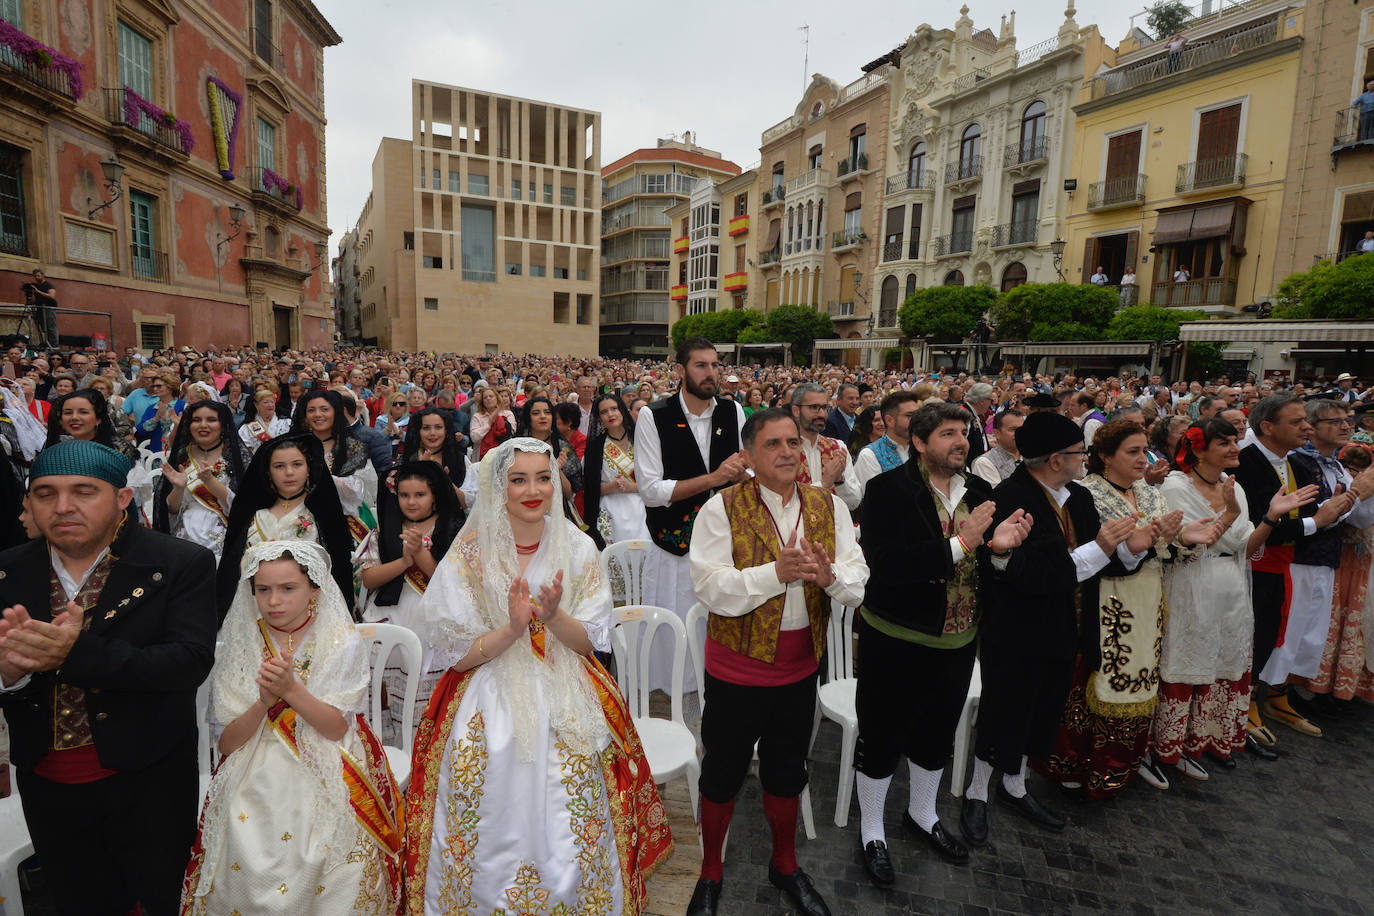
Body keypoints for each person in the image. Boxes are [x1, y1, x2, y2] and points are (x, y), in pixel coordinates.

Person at [401, 437, 673, 915]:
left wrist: (553, 617)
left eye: (543, 478)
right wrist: (512, 628)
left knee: (572, 805)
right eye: (519, 479)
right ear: (496, 487)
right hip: (486, 694)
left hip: (566, 685)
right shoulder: (468, 553)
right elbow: (458, 656)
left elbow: (590, 644)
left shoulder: (581, 545)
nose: (533, 489)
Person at [0, 439, 217, 916]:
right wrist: (8, 675)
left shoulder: (179, 564)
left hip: (148, 779)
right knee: (76, 899)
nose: (62, 507)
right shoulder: (9, 572)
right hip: (46, 781)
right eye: (44, 493)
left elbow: (189, 662)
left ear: (122, 498)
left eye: (83, 491)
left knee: (159, 898)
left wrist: (75, 653)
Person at [686, 409, 868, 916]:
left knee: (788, 770)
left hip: (798, 668)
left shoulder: (826, 506)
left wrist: (830, 578)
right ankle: (710, 870)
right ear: (748, 455)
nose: (788, 451)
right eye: (773, 444)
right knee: (722, 770)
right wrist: (775, 574)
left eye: (793, 442)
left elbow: (857, 581)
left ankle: (784, 864)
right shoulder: (720, 508)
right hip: (735, 670)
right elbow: (710, 588)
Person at [854, 403, 1030, 886]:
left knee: (937, 733)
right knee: (883, 733)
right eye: (948, 434)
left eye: (964, 433)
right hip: (895, 637)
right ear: (919, 442)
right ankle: (872, 828)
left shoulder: (980, 491)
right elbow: (888, 566)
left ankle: (923, 813)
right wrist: (963, 543)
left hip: (958, 640)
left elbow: (990, 570)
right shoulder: (887, 490)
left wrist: (999, 554)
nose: (961, 442)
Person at [180, 540, 403, 914]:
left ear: (314, 588)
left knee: (330, 849)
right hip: (255, 763)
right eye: (263, 590)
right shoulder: (243, 640)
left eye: (288, 588)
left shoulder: (338, 639)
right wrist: (265, 703)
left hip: (328, 758)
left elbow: (333, 728)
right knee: (243, 833)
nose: (273, 601)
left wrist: (290, 691)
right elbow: (230, 743)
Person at [961, 412, 1151, 845]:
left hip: (1066, 629)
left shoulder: (1078, 498)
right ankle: (977, 793)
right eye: (1078, 453)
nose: (1085, 459)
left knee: (1043, 713)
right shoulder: (1010, 499)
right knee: (1003, 713)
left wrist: (1133, 548)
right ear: (1053, 460)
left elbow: (1105, 562)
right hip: (1017, 631)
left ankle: (1014, 787)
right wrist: (1100, 549)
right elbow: (1025, 575)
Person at [1035, 420, 1214, 797]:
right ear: (1104, 455)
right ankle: (1075, 763)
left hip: (1148, 598)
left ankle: (1121, 766)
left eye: (1144, 449)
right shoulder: (1086, 494)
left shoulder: (1149, 493)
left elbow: (1162, 548)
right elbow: (1086, 553)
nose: (1142, 458)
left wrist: (1182, 540)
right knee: (1093, 679)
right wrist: (1138, 545)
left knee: (1140, 680)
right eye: (1132, 451)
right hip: (1104, 599)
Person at [1152, 419, 1315, 775]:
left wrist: (1270, 518)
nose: (1234, 448)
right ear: (1198, 449)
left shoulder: (1233, 488)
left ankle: (1207, 739)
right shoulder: (1175, 488)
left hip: (1231, 584)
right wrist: (1231, 515)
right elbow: (1201, 540)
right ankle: (1171, 749)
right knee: (1188, 660)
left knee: (1224, 660)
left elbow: (1246, 546)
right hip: (1192, 581)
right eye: (1224, 442)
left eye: (1234, 441)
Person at [1232, 393, 1354, 757]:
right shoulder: (1247, 462)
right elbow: (1264, 524)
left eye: (1307, 420)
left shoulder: (1292, 463)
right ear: (1267, 427)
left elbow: (1310, 512)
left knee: (1284, 634)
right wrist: (1318, 520)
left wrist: (1330, 511)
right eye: (1297, 421)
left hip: (1287, 563)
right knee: (1257, 637)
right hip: (1260, 565)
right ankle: (1244, 708)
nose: (1306, 427)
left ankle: (1268, 698)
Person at [633, 338, 747, 692]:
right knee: (677, 630)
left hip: (723, 544)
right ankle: (675, 698)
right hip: (674, 546)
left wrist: (743, 474)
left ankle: (716, 692)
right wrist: (714, 479)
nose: (711, 372)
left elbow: (747, 468)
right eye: (701, 365)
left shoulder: (734, 412)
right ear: (681, 370)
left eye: (715, 365)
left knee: (717, 627)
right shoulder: (655, 415)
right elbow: (651, 490)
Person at [1267, 400, 1374, 731]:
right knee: (1287, 631)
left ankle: (1282, 695)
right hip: (1298, 558)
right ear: (1312, 427)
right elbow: (1314, 515)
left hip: (1326, 560)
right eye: (1336, 421)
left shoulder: (1337, 465)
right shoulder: (1296, 462)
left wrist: (1364, 495)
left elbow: (1355, 517)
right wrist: (1355, 494)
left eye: (1348, 420)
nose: (1345, 426)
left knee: (1309, 633)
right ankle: (1268, 697)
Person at [355, 461, 462, 740]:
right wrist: (404, 561)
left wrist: (421, 555)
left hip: (436, 615)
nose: (411, 502)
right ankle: (387, 740)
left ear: (435, 495)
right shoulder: (384, 530)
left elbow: (453, 583)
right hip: (391, 611)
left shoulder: (454, 528)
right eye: (404, 495)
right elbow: (368, 578)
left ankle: (424, 744)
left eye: (420, 495)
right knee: (377, 667)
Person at [216, 433, 355, 619]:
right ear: (268, 472)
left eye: (297, 464)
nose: (289, 472)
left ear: (308, 468)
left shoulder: (322, 512)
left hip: (310, 608)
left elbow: (337, 566)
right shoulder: (253, 513)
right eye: (279, 466)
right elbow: (232, 566)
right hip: (255, 607)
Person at [1299, 443, 1374, 704]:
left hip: (1360, 559)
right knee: (1329, 618)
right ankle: (1311, 685)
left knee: (1355, 622)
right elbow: (1359, 518)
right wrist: (1360, 493)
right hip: (1340, 555)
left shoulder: (1345, 472)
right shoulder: (1336, 473)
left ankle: (1342, 685)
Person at [152, 399, 246, 562]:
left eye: (211, 420)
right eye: (196, 420)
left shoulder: (236, 457)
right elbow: (170, 512)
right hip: (184, 538)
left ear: (223, 424)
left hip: (223, 541)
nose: (203, 425)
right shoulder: (182, 455)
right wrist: (179, 489)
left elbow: (244, 507)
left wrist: (211, 482)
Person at [291, 389, 372, 530]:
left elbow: (361, 489)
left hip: (344, 518)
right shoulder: (295, 446)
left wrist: (322, 479)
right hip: (299, 517)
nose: (317, 415)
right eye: (311, 410)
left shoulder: (352, 448)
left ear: (336, 412)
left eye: (324, 409)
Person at [582, 392, 649, 549]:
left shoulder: (641, 439)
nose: (610, 414)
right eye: (604, 412)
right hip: (609, 512)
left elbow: (658, 480)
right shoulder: (594, 447)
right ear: (599, 418)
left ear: (622, 411)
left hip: (644, 509)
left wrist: (631, 487)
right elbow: (589, 490)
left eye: (614, 409)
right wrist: (611, 486)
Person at [788, 382, 861, 511]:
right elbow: (783, 502)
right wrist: (824, 484)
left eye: (824, 407)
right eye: (814, 407)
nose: (821, 414)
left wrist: (839, 481)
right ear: (796, 411)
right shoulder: (783, 450)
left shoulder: (837, 447)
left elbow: (853, 503)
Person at [399, 407, 473, 512]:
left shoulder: (461, 460)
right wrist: (417, 470)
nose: (432, 433)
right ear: (418, 431)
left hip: (452, 524)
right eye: (426, 428)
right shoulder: (407, 460)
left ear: (446, 431)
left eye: (438, 427)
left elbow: (467, 504)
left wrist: (445, 480)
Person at [43, 387, 138, 462]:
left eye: (83, 412)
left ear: (98, 418)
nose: (74, 417)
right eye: (68, 413)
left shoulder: (119, 450)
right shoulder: (57, 446)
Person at [854, 392, 919, 494]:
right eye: (909, 416)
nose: (916, 420)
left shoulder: (921, 449)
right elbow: (875, 500)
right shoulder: (870, 455)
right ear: (890, 420)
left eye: (917, 415)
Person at [969, 408, 1023, 487]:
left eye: (1022, 429)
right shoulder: (985, 462)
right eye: (1013, 429)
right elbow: (999, 496)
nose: (1020, 433)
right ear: (997, 433)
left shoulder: (1032, 456)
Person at [138, 370, 185, 452]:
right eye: (153, 386)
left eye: (159, 386)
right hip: (157, 452)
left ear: (170, 387)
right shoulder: (152, 408)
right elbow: (141, 430)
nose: (155, 389)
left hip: (178, 452)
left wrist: (167, 419)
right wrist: (155, 419)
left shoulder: (183, 406)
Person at [238, 385, 292, 456]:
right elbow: (245, 452)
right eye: (266, 402)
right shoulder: (245, 428)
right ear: (256, 405)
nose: (270, 405)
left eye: (272, 402)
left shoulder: (287, 423)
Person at [21, 268, 58, 347]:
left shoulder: (49, 285)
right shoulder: (36, 285)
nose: (36, 278)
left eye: (38, 276)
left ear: (43, 275)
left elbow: (52, 296)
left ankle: (54, 345)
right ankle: (47, 343)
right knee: (43, 327)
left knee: (51, 327)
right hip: (40, 308)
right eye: (35, 276)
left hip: (49, 308)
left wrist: (38, 292)